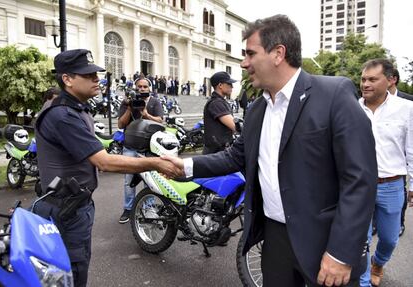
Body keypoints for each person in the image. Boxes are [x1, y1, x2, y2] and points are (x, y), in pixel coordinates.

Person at [163, 15, 377, 287]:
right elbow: (235, 156)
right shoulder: (257, 110)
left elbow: (360, 180)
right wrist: (185, 166)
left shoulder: (333, 94)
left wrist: (341, 253)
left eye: (251, 54)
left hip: (325, 242)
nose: (244, 63)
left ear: (278, 53)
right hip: (275, 241)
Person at [33, 49, 181, 287]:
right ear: (67, 79)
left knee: (71, 269)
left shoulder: (74, 109)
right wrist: (155, 163)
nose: (96, 79)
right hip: (66, 209)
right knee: (71, 272)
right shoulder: (63, 115)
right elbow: (104, 161)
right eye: (88, 75)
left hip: (73, 204)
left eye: (96, 74)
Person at [358, 59, 413, 287]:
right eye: (363, 79)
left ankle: (378, 263)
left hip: (391, 184)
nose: (366, 84)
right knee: (361, 239)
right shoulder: (352, 108)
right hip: (359, 185)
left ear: (389, 80)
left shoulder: (406, 109)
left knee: (389, 239)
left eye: (372, 79)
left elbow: (411, 149)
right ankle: (363, 281)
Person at [117, 77, 164, 223]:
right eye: (140, 86)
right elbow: (120, 124)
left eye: (145, 86)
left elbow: (161, 120)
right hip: (130, 146)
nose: (142, 89)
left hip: (149, 148)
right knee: (129, 181)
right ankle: (128, 209)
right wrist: (130, 108)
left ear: (149, 88)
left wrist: (146, 115)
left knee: (149, 181)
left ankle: (148, 209)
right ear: (136, 87)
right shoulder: (128, 102)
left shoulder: (155, 102)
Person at [388, 68, 413, 237]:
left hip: (401, 155)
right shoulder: (366, 102)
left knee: (399, 193)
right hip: (381, 157)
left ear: (393, 80)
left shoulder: (408, 102)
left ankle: (400, 222)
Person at [202, 71, 236, 155]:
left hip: (218, 152)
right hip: (216, 153)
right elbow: (235, 125)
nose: (232, 87)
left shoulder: (219, 101)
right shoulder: (216, 103)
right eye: (229, 84)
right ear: (220, 85)